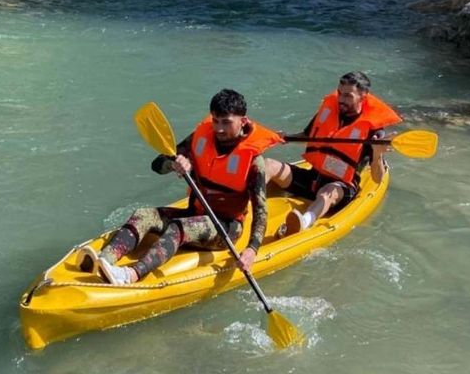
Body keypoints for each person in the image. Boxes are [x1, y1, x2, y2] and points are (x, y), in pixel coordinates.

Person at [76, 89, 282, 285]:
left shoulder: (255, 162)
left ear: (243, 121)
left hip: (225, 228)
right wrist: (174, 163)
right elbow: (157, 165)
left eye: (226, 123)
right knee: (144, 214)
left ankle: (131, 274)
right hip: (195, 212)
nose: (219, 129)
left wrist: (252, 250)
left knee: (178, 228)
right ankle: (104, 260)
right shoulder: (200, 138)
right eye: (215, 121)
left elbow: (261, 211)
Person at [265, 71, 402, 237]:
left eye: (348, 96)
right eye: (339, 93)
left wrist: (377, 153)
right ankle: (241, 207)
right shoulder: (329, 111)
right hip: (313, 178)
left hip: (341, 187)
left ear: (363, 96)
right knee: (268, 165)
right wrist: (284, 137)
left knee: (328, 191)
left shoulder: (373, 131)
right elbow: (308, 135)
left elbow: (377, 178)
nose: (341, 99)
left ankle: (305, 222)